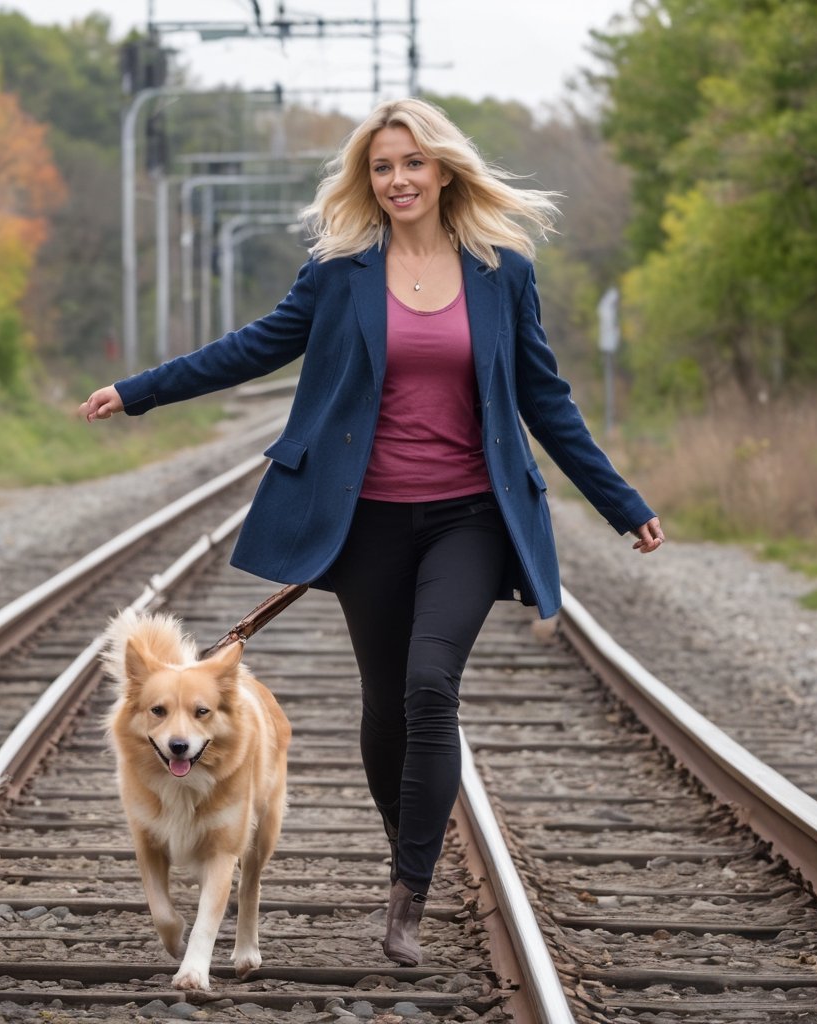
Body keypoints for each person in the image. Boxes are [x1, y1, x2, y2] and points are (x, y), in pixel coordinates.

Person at [78, 97, 663, 968]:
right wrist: (142, 389)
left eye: (413, 164)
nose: (398, 180)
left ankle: (408, 892)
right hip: (368, 522)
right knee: (386, 703)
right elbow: (253, 347)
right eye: (383, 167)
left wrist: (620, 500)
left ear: (445, 171)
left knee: (432, 685)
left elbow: (544, 397)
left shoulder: (502, 270)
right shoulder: (342, 271)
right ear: (368, 178)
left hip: (470, 514)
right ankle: (410, 840)